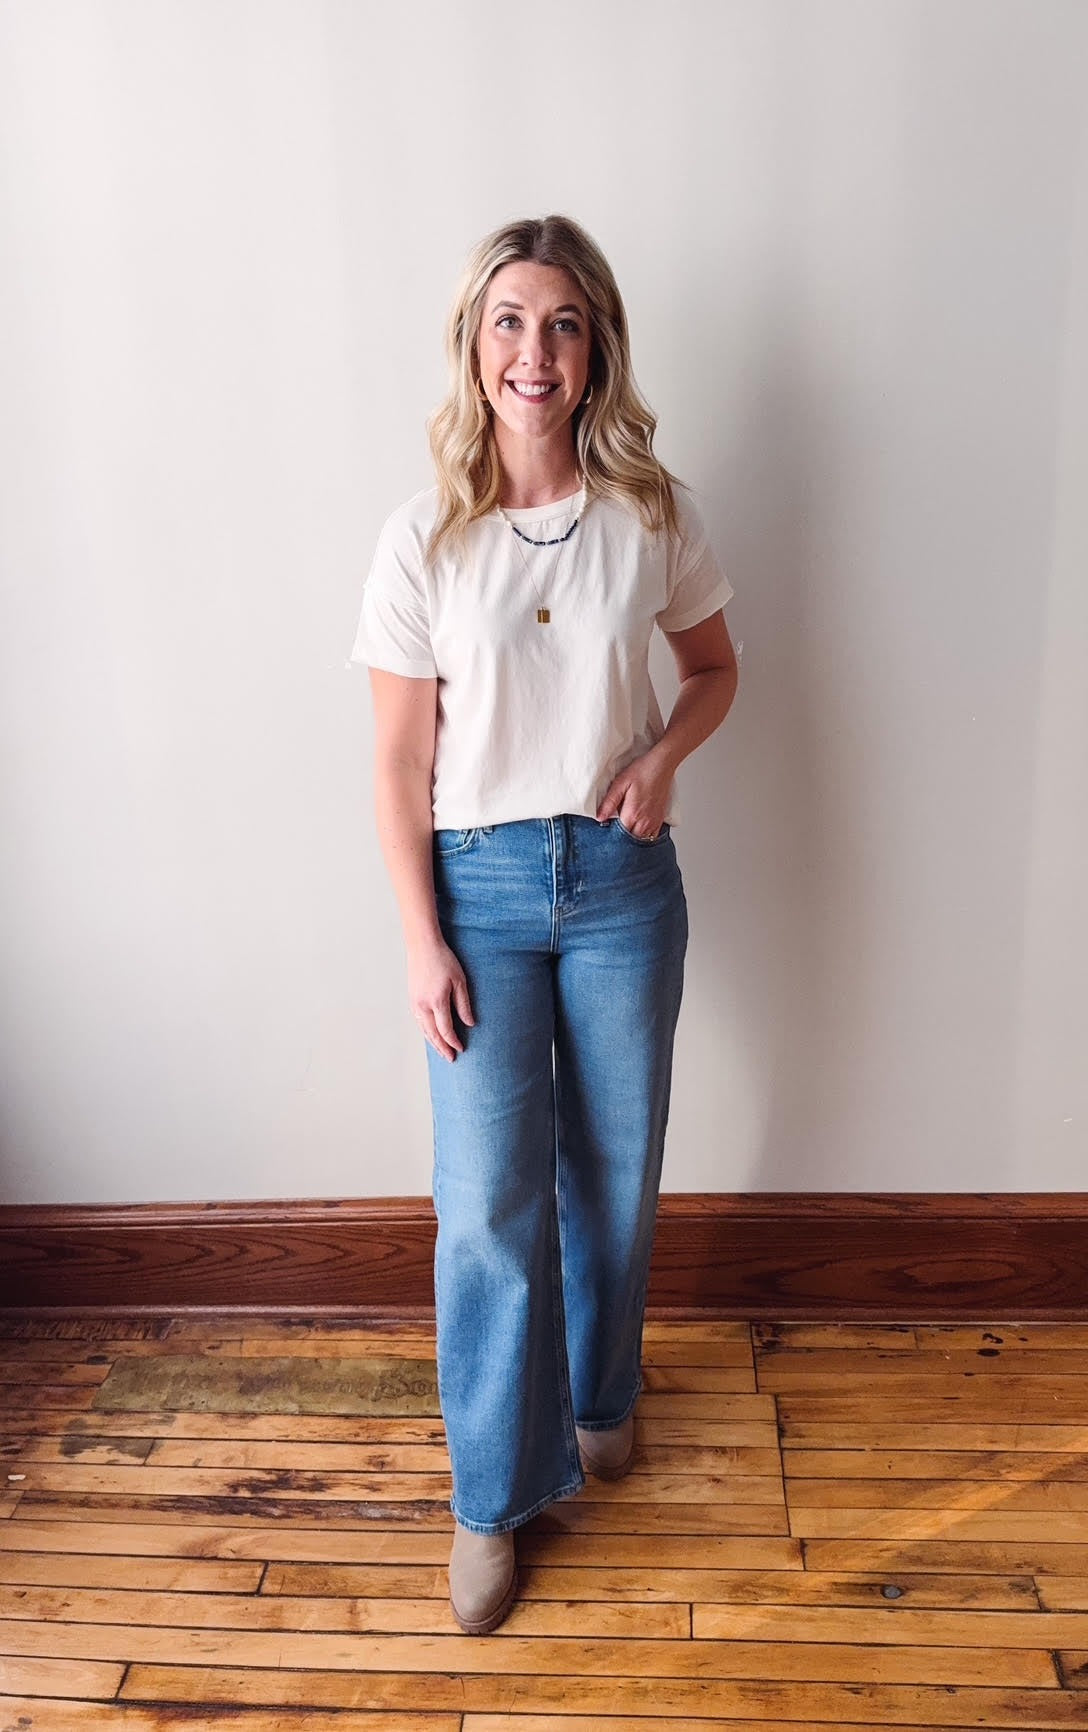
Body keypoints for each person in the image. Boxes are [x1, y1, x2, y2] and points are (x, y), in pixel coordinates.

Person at [350, 213, 738, 1634]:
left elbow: (713, 669)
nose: (534, 350)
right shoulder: (423, 537)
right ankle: (490, 1499)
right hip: (483, 894)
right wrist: (421, 939)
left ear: (596, 349)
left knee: (614, 1170)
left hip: (626, 885)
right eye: (509, 321)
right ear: (476, 345)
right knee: (487, 1212)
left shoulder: (654, 511)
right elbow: (396, 763)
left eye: (562, 323)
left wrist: (662, 757)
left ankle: (600, 1394)